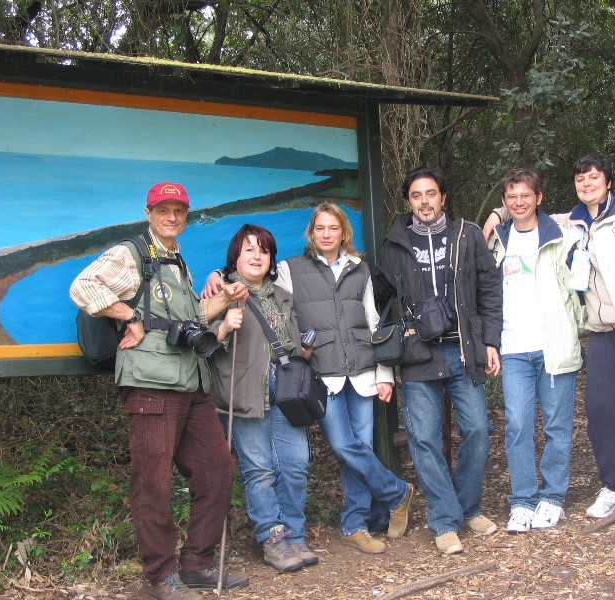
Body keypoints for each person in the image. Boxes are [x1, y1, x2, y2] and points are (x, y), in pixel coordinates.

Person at [70, 182, 248, 600]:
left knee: (216, 470)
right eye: (163, 210)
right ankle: (160, 576)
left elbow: (186, 321)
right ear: (148, 213)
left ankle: (197, 564)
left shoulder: (175, 260)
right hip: (151, 387)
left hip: (190, 384)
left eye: (179, 211)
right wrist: (128, 314)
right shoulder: (131, 254)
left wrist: (223, 300)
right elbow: (83, 287)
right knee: (153, 484)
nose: (172, 217)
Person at [205, 204, 415, 554]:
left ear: (343, 232)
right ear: (311, 233)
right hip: (319, 374)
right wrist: (218, 274)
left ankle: (356, 522)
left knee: (357, 448)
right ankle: (396, 493)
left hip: (362, 371)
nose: (326, 234)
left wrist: (384, 374)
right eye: (320, 228)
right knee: (343, 445)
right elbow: (253, 277)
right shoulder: (289, 269)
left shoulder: (360, 269)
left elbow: (374, 324)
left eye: (333, 227)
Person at [485, 154, 615, 527]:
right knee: (601, 414)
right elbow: (521, 211)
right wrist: (498, 214)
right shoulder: (571, 224)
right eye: (580, 179)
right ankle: (614, 487)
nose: (587, 184)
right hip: (602, 333)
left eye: (594, 177)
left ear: (608, 181)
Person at [374, 166, 502, 555]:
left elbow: (489, 289)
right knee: (424, 438)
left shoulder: (467, 234)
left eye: (431, 193)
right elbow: (373, 299)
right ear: (408, 200)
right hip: (418, 354)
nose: (424, 201)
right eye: (416, 195)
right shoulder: (395, 244)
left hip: (463, 348)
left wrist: (490, 342)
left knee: (478, 430)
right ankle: (446, 521)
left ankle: (467, 507)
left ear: (443, 197)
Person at [206, 224, 316, 574]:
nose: (256, 256)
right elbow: (201, 338)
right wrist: (224, 325)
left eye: (263, 250)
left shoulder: (282, 295)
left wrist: (304, 348)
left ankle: (295, 534)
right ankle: (272, 537)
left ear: (271, 259)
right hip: (242, 390)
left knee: (295, 463)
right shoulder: (222, 292)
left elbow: (292, 342)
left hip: (284, 388)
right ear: (235, 256)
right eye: (249, 249)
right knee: (260, 469)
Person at [487, 168, 583, 534]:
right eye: (512, 197)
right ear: (505, 202)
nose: (519, 202)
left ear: (539, 198)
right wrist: (491, 342)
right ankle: (523, 500)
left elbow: (578, 290)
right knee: (517, 426)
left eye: (526, 195)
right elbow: (488, 294)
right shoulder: (497, 240)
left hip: (553, 345)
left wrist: (577, 325)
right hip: (513, 349)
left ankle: (553, 497)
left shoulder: (560, 236)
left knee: (558, 426)